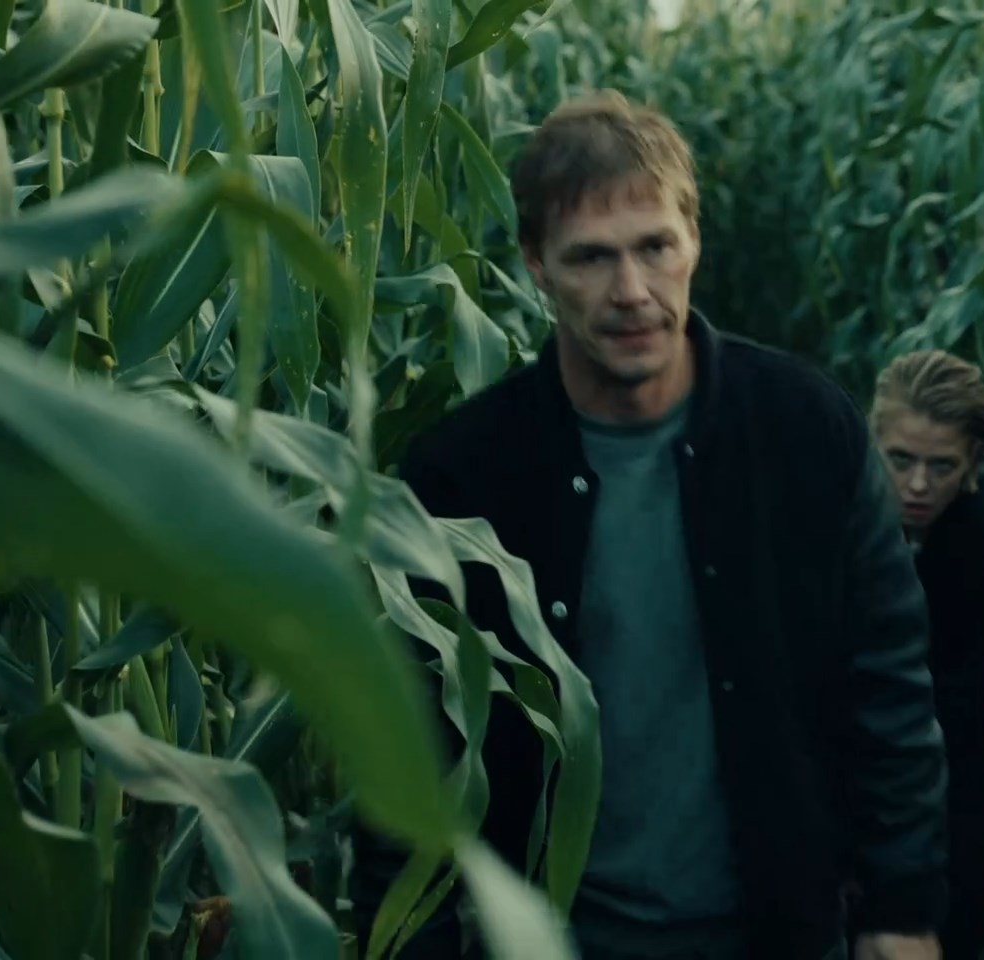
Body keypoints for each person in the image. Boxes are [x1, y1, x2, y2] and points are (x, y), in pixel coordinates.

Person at [348, 90, 949, 960]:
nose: (631, 291)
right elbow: (412, 746)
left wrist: (901, 912)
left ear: (693, 239)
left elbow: (888, 690)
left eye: (654, 247)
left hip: (776, 935)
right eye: (591, 257)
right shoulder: (465, 474)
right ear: (536, 264)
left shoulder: (805, 434)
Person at [864, 350, 984, 960]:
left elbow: (979, 729)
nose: (918, 485)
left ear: (973, 463)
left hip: (960, 762)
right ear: (873, 442)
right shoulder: (836, 505)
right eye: (901, 460)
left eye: (941, 466)